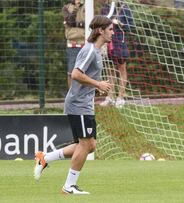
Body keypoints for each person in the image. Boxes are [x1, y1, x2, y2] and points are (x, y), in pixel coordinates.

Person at [33, 16, 113, 195]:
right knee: (85, 145)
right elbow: (76, 74)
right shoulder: (90, 51)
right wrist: (98, 84)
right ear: (100, 30)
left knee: (89, 145)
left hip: (84, 104)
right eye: (111, 29)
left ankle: (45, 158)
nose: (113, 32)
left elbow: (85, 78)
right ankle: (69, 186)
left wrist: (97, 87)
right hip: (78, 105)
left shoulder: (97, 52)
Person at [100, 0, 134, 107]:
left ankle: (121, 97)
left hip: (119, 43)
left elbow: (131, 27)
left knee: (122, 68)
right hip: (108, 43)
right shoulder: (105, 7)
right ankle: (110, 97)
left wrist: (120, 23)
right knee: (110, 70)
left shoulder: (125, 8)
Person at [62, 0, 85, 88]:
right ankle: (71, 97)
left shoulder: (88, 6)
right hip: (72, 44)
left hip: (85, 42)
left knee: (86, 72)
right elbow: (70, 21)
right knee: (71, 72)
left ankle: (84, 96)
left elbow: (90, 23)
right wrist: (76, 7)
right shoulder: (66, 7)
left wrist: (76, 24)